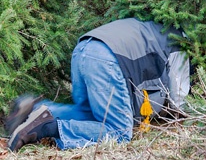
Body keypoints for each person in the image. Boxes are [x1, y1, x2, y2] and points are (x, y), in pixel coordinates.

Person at [5, 18, 190, 152]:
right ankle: (47, 127)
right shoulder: (178, 42)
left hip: (84, 49)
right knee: (119, 133)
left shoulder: (152, 26)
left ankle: (33, 111)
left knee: (90, 115)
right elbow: (178, 100)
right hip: (107, 60)